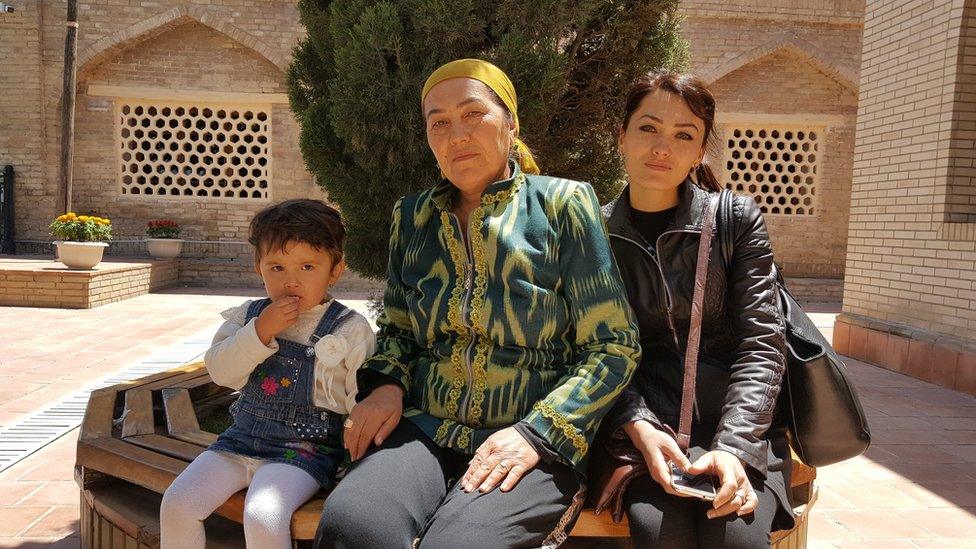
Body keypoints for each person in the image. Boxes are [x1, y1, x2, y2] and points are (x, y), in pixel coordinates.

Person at [314, 59, 640, 549]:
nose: (457, 134)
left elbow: (614, 346)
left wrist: (536, 434)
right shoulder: (412, 217)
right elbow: (401, 329)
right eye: (439, 122)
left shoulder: (562, 206)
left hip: (531, 440)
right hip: (427, 425)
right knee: (354, 526)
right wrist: (385, 386)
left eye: (473, 114)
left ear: (510, 125)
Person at [592, 71, 794, 547]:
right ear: (621, 137)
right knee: (660, 532)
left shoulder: (734, 221)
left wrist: (734, 448)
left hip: (738, 421)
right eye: (648, 128)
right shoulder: (593, 232)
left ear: (700, 151)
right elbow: (590, 350)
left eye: (684, 135)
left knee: (738, 539)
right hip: (641, 425)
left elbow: (764, 343)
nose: (663, 147)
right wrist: (637, 424)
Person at [160, 199, 376, 549]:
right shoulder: (247, 317)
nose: (291, 281)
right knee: (178, 503)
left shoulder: (349, 329)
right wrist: (260, 331)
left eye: (307, 266)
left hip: (304, 450)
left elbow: (360, 398)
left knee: (262, 514)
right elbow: (221, 372)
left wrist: (357, 458)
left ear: (334, 271)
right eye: (277, 267)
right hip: (239, 441)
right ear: (258, 266)